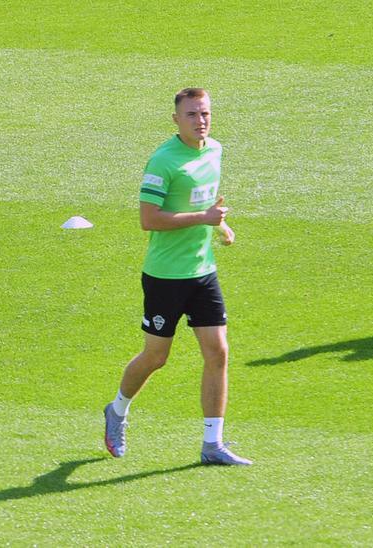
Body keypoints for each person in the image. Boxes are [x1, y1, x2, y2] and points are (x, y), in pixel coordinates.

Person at [103, 88, 251, 466]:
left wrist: (220, 226)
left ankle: (212, 444)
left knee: (218, 352)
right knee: (156, 357)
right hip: (165, 276)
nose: (200, 120)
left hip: (203, 271)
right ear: (175, 120)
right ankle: (117, 410)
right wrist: (203, 220)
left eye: (205, 113)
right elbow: (148, 219)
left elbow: (204, 202)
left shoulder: (215, 151)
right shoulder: (163, 162)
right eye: (191, 115)